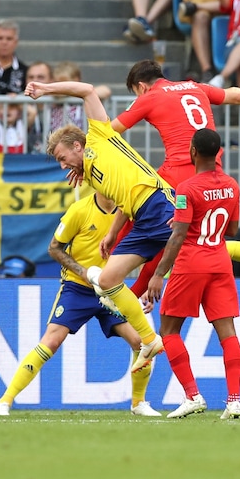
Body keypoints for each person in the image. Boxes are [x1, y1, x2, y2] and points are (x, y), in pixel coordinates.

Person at [113, 59, 240, 297]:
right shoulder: (195, 86)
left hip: (179, 171)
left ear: (141, 87)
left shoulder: (149, 97)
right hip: (213, 170)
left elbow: (109, 131)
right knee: (210, 239)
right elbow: (237, 97)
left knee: (144, 213)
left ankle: (115, 279)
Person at [27, 78, 171, 375]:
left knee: (204, 248)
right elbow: (121, 199)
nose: (62, 165)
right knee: (107, 280)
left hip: (156, 203)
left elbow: (88, 89)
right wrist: (112, 233)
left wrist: (45, 88)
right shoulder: (90, 177)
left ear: (77, 146)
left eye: (62, 158)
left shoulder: (99, 136)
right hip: (140, 218)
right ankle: (149, 340)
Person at [0, 191, 162, 418]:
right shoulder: (79, 210)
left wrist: (143, 285)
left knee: (142, 343)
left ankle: (138, 403)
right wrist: (84, 273)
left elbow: (143, 249)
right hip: (77, 289)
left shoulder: (128, 213)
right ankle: (5, 400)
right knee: (51, 341)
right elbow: (54, 248)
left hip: (112, 291)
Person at [147, 128, 240, 420]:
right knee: (227, 331)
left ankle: (192, 396)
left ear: (192, 152)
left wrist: (158, 274)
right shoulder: (232, 186)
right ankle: (234, 399)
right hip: (219, 261)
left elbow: (178, 236)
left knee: (168, 330)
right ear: (217, 153)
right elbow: (233, 230)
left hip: (191, 263)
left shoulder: (186, 189)